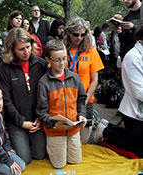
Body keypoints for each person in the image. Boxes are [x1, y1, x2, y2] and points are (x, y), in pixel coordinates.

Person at [0, 27, 47, 164]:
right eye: (21, 49)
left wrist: (41, 117)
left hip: (37, 119)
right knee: (25, 159)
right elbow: (5, 100)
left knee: (40, 155)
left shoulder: (40, 64)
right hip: (17, 121)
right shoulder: (4, 68)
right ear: (12, 49)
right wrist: (22, 123)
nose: (26, 52)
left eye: (28, 47)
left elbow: (47, 94)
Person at [36, 39, 87, 168]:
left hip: (73, 129)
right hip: (55, 131)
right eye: (57, 60)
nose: (62, 63)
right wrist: (54, 124)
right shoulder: (43, 82)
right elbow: (41, 111)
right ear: (48, 60)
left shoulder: (74, 77)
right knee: (59, 165)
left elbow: (82, 99)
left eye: (64, 58)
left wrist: (81, 115)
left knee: (76, 162)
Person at [94, 25, 143, 158]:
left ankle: (108, 128)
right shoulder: (133, 57)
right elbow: (139, 92)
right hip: (134, 112)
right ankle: (106, 132)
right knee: (139, 150)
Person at [64, 16, 104, 144]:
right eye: (76, 34)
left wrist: (84, 100)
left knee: (84, 139)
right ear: (68, 32)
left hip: (86, 99)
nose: (79, 38)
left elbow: (94, 80)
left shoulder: (91, 51)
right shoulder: (61, 49)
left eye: (83, 34)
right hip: (65, 100)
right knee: (68, 136)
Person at [0, 83, 26, 175]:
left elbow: (2, 134)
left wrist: (7, 148)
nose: (0, 103)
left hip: (1, 152)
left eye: (1, 99)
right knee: (16, 173)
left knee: (22, 166)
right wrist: (9, 161)